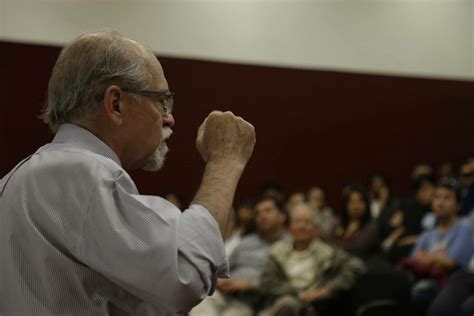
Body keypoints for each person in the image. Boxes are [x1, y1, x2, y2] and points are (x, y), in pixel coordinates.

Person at [0, 32, 256, 315]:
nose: (169, 117)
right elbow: (186, 273)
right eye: (162, 100)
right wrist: (225, 162)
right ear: (116, 104)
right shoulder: (82, 173)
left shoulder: (24, 176)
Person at [259, 204, 365, 316]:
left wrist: (327, 290)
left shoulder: (328, 252)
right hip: (281, 303)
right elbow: (267, 282)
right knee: (287, 304)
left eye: (307, 222)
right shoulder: (278, 250)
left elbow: (356, 266)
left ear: (315, 228)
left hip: (313, 307)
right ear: (290, 227)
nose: (301, 226)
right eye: (297, 221)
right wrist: (298, 294)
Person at [190, 196, 288, 316]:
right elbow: (223, 268)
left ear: (282, 216)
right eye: (257, 213)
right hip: (224, 293)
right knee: (200, 302)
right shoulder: (247, 241)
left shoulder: (289, 245)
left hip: (250, 300)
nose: (262, 216)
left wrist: (250, 284)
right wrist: (220, 281)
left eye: (268, 211)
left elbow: (285, 282)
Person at [403, 179, 474, 314]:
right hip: (424, 282)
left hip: (452, 286)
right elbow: (414, 260)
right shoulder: (428, 233)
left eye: (447, 198)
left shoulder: (464, 227)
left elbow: (450, 263)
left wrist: (427, 258)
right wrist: (437, 258)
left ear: (458, 204)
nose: (440, 203)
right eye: (437, 197)